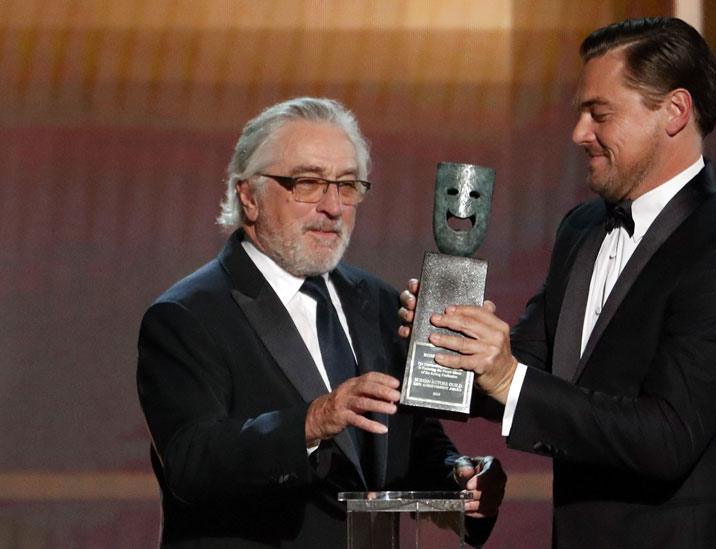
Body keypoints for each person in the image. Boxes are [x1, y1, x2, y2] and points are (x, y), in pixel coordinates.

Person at [400, 17, 716, 548]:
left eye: (599, 114)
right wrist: (444, 346)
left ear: (674, 112)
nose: (579, 133)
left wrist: (508, 376)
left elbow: (666, 438)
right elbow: (531, 370)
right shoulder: (581, 228)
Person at [137, 97, 504, 548]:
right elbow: (191, 462)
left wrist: (457, 478)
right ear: (249, 196)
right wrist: (310, 423)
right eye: (308, 183)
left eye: (348, 185)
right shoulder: (188, 315)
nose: (333, 206)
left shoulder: (380, 302)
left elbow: (407, 437)